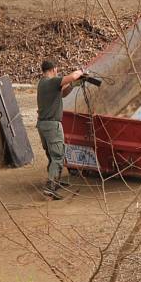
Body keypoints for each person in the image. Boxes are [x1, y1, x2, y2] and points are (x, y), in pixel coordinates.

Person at [37, 60, 84, 199]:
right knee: (58, 156)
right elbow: (72, 77)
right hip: (52, 126)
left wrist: (74, 85)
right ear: (54, 69)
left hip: (43, 125)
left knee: (52, 155)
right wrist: (82, 72)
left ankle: (55, 181)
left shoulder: (43, 83)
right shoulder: (51, 81)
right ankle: (50, 187)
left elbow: (62, 93)